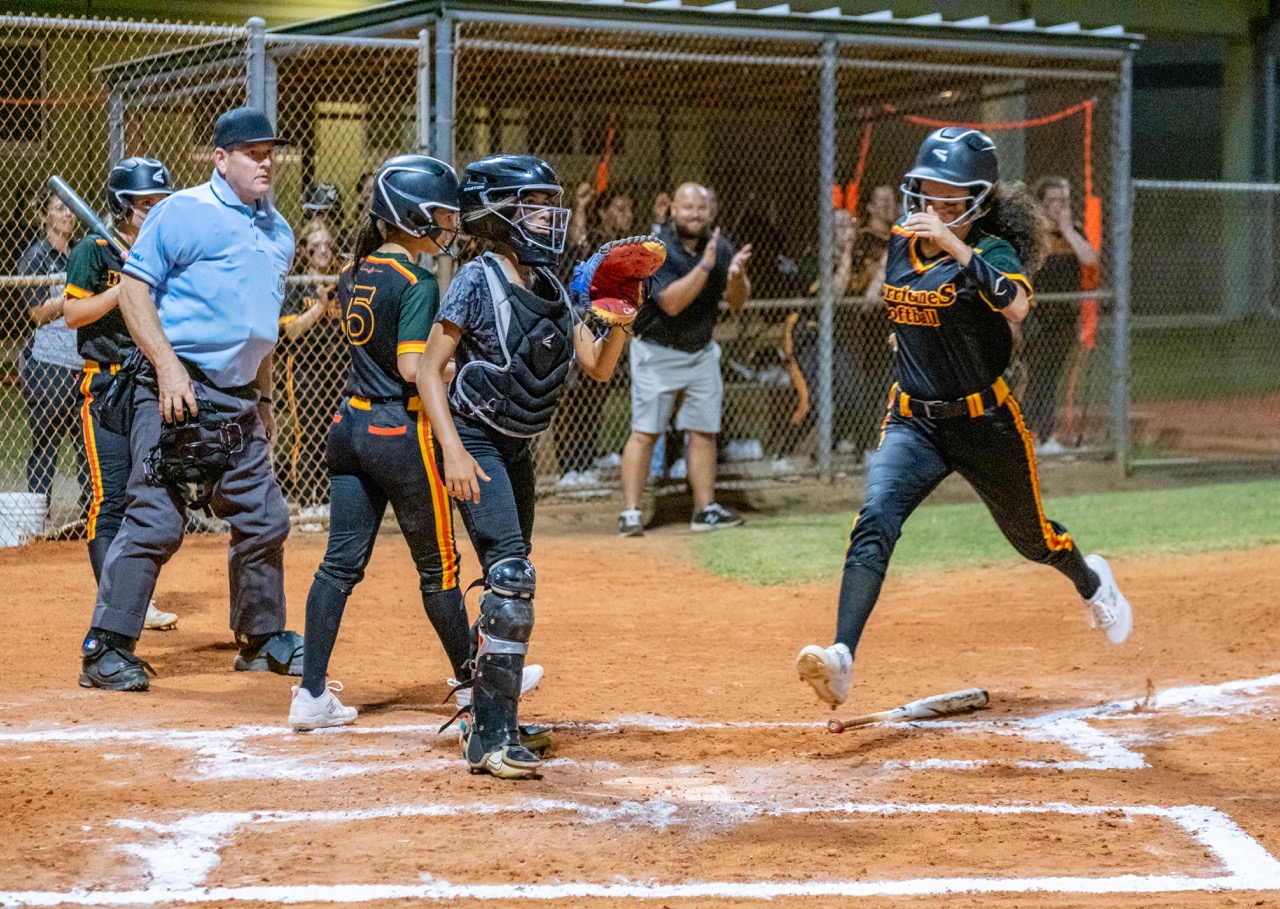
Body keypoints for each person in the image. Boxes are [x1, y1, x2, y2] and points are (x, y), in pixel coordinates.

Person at [794, 128, 1133, 708]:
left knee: (1035, 539)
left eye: (950, 192)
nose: (935, 200)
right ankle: (842, 657)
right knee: (875, 519)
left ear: (977, 198)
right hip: (914, 422)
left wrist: (955, 246)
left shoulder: (992, 251)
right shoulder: (902, 241)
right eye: (928, 187)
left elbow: (1017, 305)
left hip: (986, 424)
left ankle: (1091, 580)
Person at [288, 155, 547, 731]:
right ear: (409, 215)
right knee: (441, 569)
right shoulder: (418, 280)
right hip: (401, 433)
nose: (450, 227)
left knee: (337, 565)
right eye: (440, 216)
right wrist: (459, 367)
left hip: (349, 425)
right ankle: (473, 678)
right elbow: (413, 367)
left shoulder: (356, 270)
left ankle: (310, 694)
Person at [417, 154, 629, 779]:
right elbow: (431, 369)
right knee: (510, 573)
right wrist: (452, 449)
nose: (547, 216)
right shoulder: (477, 279)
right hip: (476, 441)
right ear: (501, 213)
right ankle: (488, 737)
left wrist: (618, 317)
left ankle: (496, 720)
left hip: (516, 446)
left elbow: (598, 366)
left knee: (511, 580)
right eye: (533, 205)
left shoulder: (552, 285)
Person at [78, 107, 301, 692]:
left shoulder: (279, 232)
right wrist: (169, 368)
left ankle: (260, 638)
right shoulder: (183, 212)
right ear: (220, 159)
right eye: (252, 153)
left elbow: (261, 325)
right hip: (178, 388)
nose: (266, 161)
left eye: (269, 151)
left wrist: (267, 399)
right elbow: (133, 291)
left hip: (239, 397)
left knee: (263, 517)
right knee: (155, 517)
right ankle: (106, 647)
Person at [62, 157, 179, 633]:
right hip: (105, 385)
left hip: (149, 383)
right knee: (109, 499)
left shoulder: (165, 249)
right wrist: (127, 287)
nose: (152, 212)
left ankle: (132, 591)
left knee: (147, 494)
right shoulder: (94, 250)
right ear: (120, 206)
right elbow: (72, 314)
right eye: (143, 205)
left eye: (158, 203)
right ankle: (114, 603)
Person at [617, 182, 752, 536]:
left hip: (701, 352)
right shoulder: (655, 248)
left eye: (702, 208)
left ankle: (704, 509)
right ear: (672, 210)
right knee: (646, 432)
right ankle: (630, 512)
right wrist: (707, 266)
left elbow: (737, 301)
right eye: (688, 208)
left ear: (711, 211)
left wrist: (736, 278)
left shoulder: (719, 244)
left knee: (703, 431)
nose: (695, 215)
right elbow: (671, 303)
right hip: (657, 351)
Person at [555, 185, 636, 487]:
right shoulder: (596, 241)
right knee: (573, 399)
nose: (626, 215)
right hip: (581, 323)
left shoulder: (626, 245)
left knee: (595, 397)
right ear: (602, 213)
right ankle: (569, 466)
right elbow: (576, 246)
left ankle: (587, 457)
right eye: (619, 208)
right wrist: (581, 206)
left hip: (606, 325)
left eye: (628, 209)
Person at [17, 190, 89, 527]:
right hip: (48, 365)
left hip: (80, 362)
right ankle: (38, 520)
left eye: (71, 209)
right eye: (60, 209)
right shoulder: (35, 258)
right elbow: (36, 314)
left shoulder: (79, 255)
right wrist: (71, 297)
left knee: (87, 446)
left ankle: (93, 515)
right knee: (45, 444)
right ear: (44, 216)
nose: (68, 215)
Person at [1023, 176, 1099, 450]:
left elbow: (1090, 259)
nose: (1058, 206)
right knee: (1038, 375)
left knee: (1052, 376)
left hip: (1065, 317)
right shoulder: (1032, 234)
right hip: (1037, 316)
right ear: (1041, 205)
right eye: (1052, 201)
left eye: (1063, 201)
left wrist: (1067, 230)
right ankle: (1036, 435)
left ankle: (1043, 436)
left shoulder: (1073, 231)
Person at [277, 219, 346, 514]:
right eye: (316, 245)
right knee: (307, 432)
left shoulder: (339, 282)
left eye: (327, 245)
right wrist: (319, 306)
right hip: (305, 366)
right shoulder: (296, 284)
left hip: (337, 367)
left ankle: (329, 499)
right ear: (304, 250)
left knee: (337, 432)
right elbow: (291, 331)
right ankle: (307, 500)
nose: (323, 251)